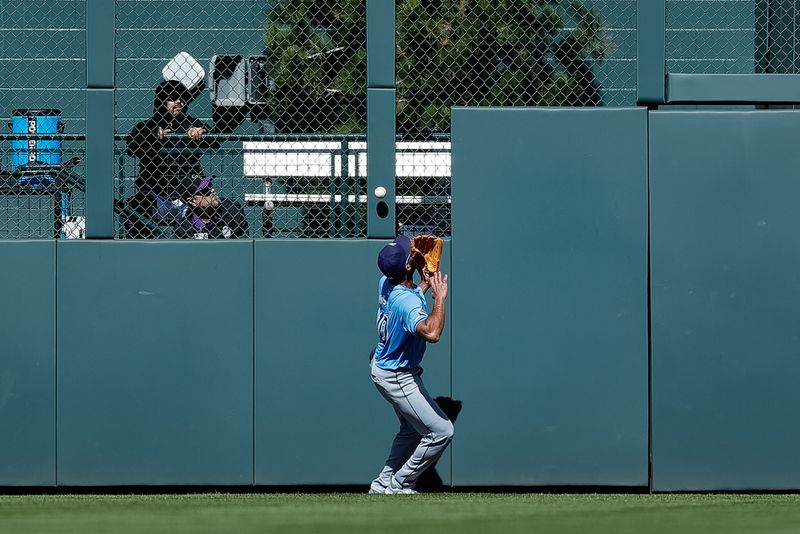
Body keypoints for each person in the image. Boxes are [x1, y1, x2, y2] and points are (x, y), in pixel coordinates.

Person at [369, 235, 453, 495]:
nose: (415, 249)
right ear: (406, 266)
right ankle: (401, 483)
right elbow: (431, 332)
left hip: (382, 366)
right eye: (411, 252)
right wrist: (439, 296)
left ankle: (383, 483)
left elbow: (408, 294)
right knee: (441, 431)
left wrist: (424, 281)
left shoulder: (386, 281)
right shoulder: (407, 302)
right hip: (397, 374)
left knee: (410, 430)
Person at [124, 79, 212, 237]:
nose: (179, 101)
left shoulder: (191, 123)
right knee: (135, 206)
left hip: (188, 196)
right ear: (162, 101)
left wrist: (203, 131)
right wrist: (151, 134)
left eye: (182, 98)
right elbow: (131, 146)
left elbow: (215, 140)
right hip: (155, 195)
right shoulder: (148, 125)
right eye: (173, 97)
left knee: (214, 205)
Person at [173, 175, 249, 239]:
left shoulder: (231, 209)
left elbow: (243, 244)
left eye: (210, 185)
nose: (212, 190)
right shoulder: (183, 229)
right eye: (206, 190)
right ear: (192, 201)